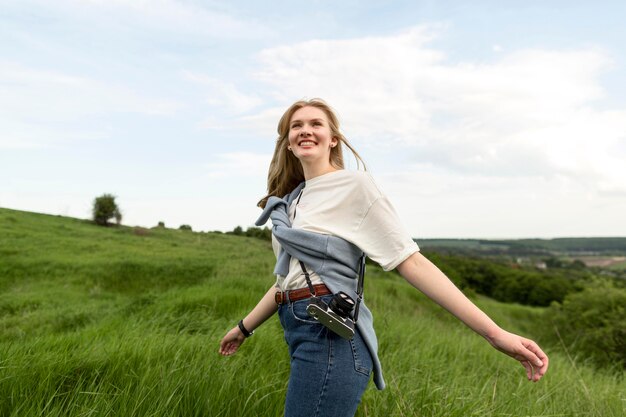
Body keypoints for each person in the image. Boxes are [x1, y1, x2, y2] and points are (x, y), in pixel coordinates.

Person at [219, 98, 549, 417]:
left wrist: (495, 333)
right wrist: (244, 327)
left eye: (315, 124)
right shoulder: (291, 202)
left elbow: (411, 261)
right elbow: (286, 281)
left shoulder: (354, 186)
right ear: (288, 143)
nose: (305, 130)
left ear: (333, 139)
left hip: (330, 336)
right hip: (298, 328)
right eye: (297, 125)